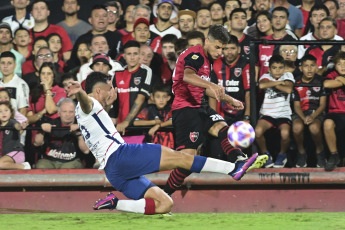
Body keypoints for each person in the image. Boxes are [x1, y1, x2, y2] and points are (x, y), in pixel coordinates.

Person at [67, 71, 266, 214]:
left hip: (113, 171)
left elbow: (92, 106)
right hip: (122, 156)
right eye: (110, 89)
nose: (114, 92)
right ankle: (234, 168)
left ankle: (114, 203)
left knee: (164, 204)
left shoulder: (88, 111)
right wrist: (80, 93)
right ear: (100, 90)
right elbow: (88, 102)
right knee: (182, 158)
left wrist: (93, 98)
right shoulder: (89, 104)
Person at [163, 25, 267, 196]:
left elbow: (203, 88)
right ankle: (163, 196)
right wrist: (211, 84)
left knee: (222, 127)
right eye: (217, 47)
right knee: (186, 162)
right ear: (207, 41)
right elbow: (187, 76)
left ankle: (238, 160)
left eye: (223, 48)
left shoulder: (207, 59)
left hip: (199, 105)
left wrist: (230, 99)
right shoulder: (195, 55)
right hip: (185, 109)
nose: (220, 52)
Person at [255, 55, 295, 168]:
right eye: (274, 68)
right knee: (257, 132)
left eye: (280, 67)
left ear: (284, 68)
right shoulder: (265, 75)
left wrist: (272, 84)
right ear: (269, 69)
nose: (277, 70)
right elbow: (262, 84)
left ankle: (282, 155)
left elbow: (289, 89)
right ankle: (265, 154)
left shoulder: (288, 75)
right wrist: (279, 83)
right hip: (267, 113)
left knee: (285, 134)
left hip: (283, 114)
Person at [33, 98, 89, 169]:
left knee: (67, 168)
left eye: (71, 112)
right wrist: (42, 131)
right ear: (59, 113)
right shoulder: (51, 123)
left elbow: (86, 151)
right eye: (64, 111)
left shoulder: (81, 125)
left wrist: (78, 133)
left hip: (71, 161)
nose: (67, 114)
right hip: (49, 160)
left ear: (75, 113)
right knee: (41, 166)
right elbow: (37, 143)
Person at [292, 54, 326, 168]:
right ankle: (301, 152)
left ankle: (320, 152)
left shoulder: (321, 81)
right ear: (301, 68)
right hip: (301, 113)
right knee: (297, 128)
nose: (309, 68)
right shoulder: (296, 82)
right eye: (306, 66)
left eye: (312, 66)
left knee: (314, 128)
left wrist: (312, 117)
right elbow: (296, 106)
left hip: (316, 112)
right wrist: (303, 118)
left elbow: (322, 105)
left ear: (317, 67)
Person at [112, 41, 152, 133]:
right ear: (124, 56)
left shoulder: (145, 71)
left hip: (139, 127)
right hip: (119, 127)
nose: (132, 57)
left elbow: (140, 98)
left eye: (135, 54)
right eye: (129, 54)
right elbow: (113, 101)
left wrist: (127, 121)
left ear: (139, 56)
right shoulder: (118, 73)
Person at [323, 51, 345, 171]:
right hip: (335, 112)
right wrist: (340, 80)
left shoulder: (338, 76)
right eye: (340, 64)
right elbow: (326, 84)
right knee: (327, 123)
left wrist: (341, 79)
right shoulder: (332, 74)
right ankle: (334, 155)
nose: (343, 67)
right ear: (335, 66)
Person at [134, 84, 174, 148]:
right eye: (158, 97)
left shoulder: (171, 109)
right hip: (151, 145)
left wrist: (158, 126)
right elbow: (136, 122)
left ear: (168, 98)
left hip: (168, 146)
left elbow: (173, 120)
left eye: (164, 97)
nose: (161, 100)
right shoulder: (148, 109)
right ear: (152, 97)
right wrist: (154, 122)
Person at [0, 101, 30, 170]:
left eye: (6, 110)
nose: (3, 113)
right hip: (5, 156)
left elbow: (17, 126)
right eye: (0, 111)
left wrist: (21, 126)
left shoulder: (12, 122)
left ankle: (24, 166)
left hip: (16, 153)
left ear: (11, 112)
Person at [0, 51, 29, 117]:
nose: (5, 66)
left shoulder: (21, 84)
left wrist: (16, 125)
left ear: (15, 65)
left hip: (12, 125)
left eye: (9, 63)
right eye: (2, 63)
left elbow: (23, 110)